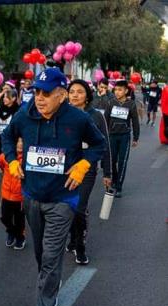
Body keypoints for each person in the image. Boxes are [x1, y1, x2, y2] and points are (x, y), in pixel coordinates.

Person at [2, 68, 106, 306]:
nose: (39, 97)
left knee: (50, 254)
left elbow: (99, 143)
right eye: (37, 91)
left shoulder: (78, 119)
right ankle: (50, 280)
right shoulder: (24, 115)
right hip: (32, 196)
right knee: (41, 252)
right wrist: (12, 161)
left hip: (63, 198)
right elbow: (7, 136)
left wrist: (83, 164)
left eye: (46, 93)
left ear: (61, 95)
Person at [66, 79, 112, 265]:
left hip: (87, 171)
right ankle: (73, 238)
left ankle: (80, 247)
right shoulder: (63, 114)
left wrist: (108, 173)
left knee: (79, 207)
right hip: (65, 169)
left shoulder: (96, 116)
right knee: (67, 207)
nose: (75, 95)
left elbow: (105, 145)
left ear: (87, 96)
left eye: (80, 92)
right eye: (72, 91)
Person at [104, 80, 140, 198]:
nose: (117, 92)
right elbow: (105, 120)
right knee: (112, 160)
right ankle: (114, 179)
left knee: (122, 161)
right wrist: (104, 135)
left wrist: (136, 137)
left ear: (126, 91)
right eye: (116, 90)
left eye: (120, 90)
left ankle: (119, 186)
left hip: (125, 136)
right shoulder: (110, 103)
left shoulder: (131, 104)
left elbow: (135, 121)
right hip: (112, 136)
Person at [0, 137, 25, 250]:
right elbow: (1, 165)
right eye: (17, 141)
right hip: (6, 193)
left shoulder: (28, 159)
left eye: (23, 141)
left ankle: (20, 238)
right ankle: (11, 232)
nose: (20, 144)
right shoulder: (4, 156)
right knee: (4, 218)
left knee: (19, 219)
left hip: (20, 196)